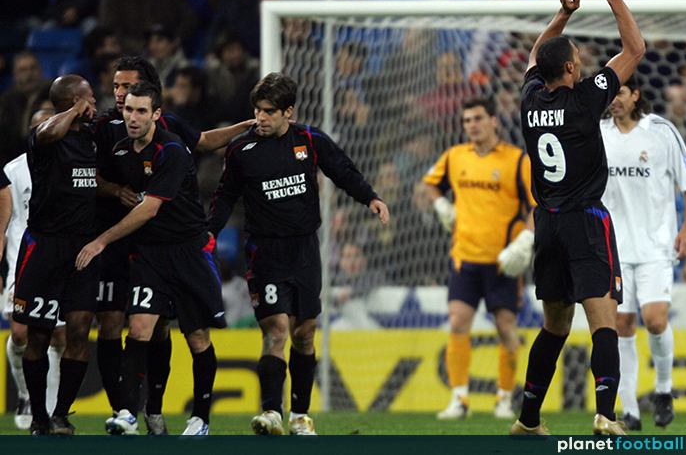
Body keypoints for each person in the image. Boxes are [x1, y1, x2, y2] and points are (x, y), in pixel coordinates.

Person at [208, 72, 390, 435]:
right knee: (276, 329)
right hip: (265, 250)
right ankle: (271, 412)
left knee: (304, 332)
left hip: (305, 248)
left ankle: (300, 416)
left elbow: (343, 171)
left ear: (288, 112)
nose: (260, 117)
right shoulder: (241, 150)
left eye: (269, 111)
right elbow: (225, 194)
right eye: (257, 110)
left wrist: (371, 197)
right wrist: (210, 233)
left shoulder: (309, 139)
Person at [510, 0, 646, 436]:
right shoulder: (587, 97)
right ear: (570, 67)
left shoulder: (530, 98)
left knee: (555, 326)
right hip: (585, 221)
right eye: (578, 60)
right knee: (603, 317)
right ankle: (607, 416)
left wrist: (564, 12)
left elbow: (534, 57)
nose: (584, 64)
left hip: (546, 222)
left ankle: (528, 421)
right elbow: (635, 47)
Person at [91, 56, 254, 434]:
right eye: (125, 103)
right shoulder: (114, 143)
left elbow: (150, 208)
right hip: (148, 252)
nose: (129, 112)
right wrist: (114, 190)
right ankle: (130, 413)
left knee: (197, 337)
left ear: (155, 111)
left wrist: (101, 240)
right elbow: (92, 177)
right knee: (141, 328)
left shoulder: (173, 147)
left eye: (137, 107)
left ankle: (201, 418)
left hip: (187, 250)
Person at [423, 97, 535, 420]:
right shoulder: (455, 156)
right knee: (458, 321)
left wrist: (527, 240)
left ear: (494, 121)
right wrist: (442, 206)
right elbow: (431, 184)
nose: (472, 124)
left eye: (478, 118)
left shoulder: (517, 161)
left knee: (506, 327)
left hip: (503, 260)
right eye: (467, 120)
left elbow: (536, 206)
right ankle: (459, 400)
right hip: (464, 258)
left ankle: (504, 398)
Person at [600, 74, 686, 431]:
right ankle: (630, 411)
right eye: (611, 94)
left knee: (655, 319)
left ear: (636, 94)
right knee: (621, 324)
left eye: (621, 93)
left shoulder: (661, 130)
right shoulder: (599, 132)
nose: (614, 100)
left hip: (657, 244)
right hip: (613, 247)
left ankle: (663, 389)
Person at [13, 75, 98, 435]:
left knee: (79, 331)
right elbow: (47, 132)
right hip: (45, 247)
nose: (94, 103)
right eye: (88, 98)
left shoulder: (93, 139)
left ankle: (61, 413)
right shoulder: (44, 139)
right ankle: (38, 416)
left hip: (83, 249)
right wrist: (74, 110)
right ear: (73, 102)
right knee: (38, 335)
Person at [2, 109, 67, 431]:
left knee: (59, 334)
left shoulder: (69, 165)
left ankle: (49, 405)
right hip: (22, 259)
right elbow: (6, 220)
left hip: (58, 259)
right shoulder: (13, 171)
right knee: (20, 332)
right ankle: (27, 394)